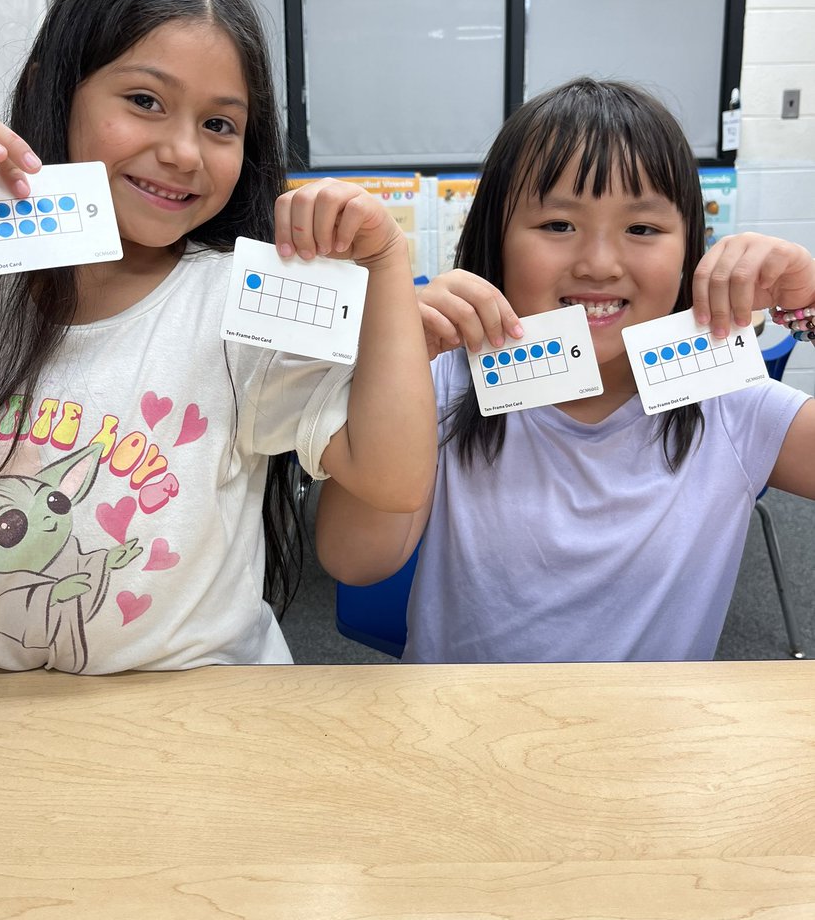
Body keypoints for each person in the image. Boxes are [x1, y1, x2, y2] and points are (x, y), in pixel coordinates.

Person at [0, 0, 435, 673]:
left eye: (221, 125)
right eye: (145, 102)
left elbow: (393, 478)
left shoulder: (236, 301)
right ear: (52, 91)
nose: (184, 152)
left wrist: (387, 266)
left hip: (202, 723)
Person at [316, 78, 815, 663]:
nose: (600, 264)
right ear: (495, 239)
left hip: (652, 745)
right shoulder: (447, 383)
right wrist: (395, 363)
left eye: (643, 229)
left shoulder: (730, 404)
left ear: (690, 250)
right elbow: (353, 559)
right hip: (464, 736)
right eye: (558, 225)